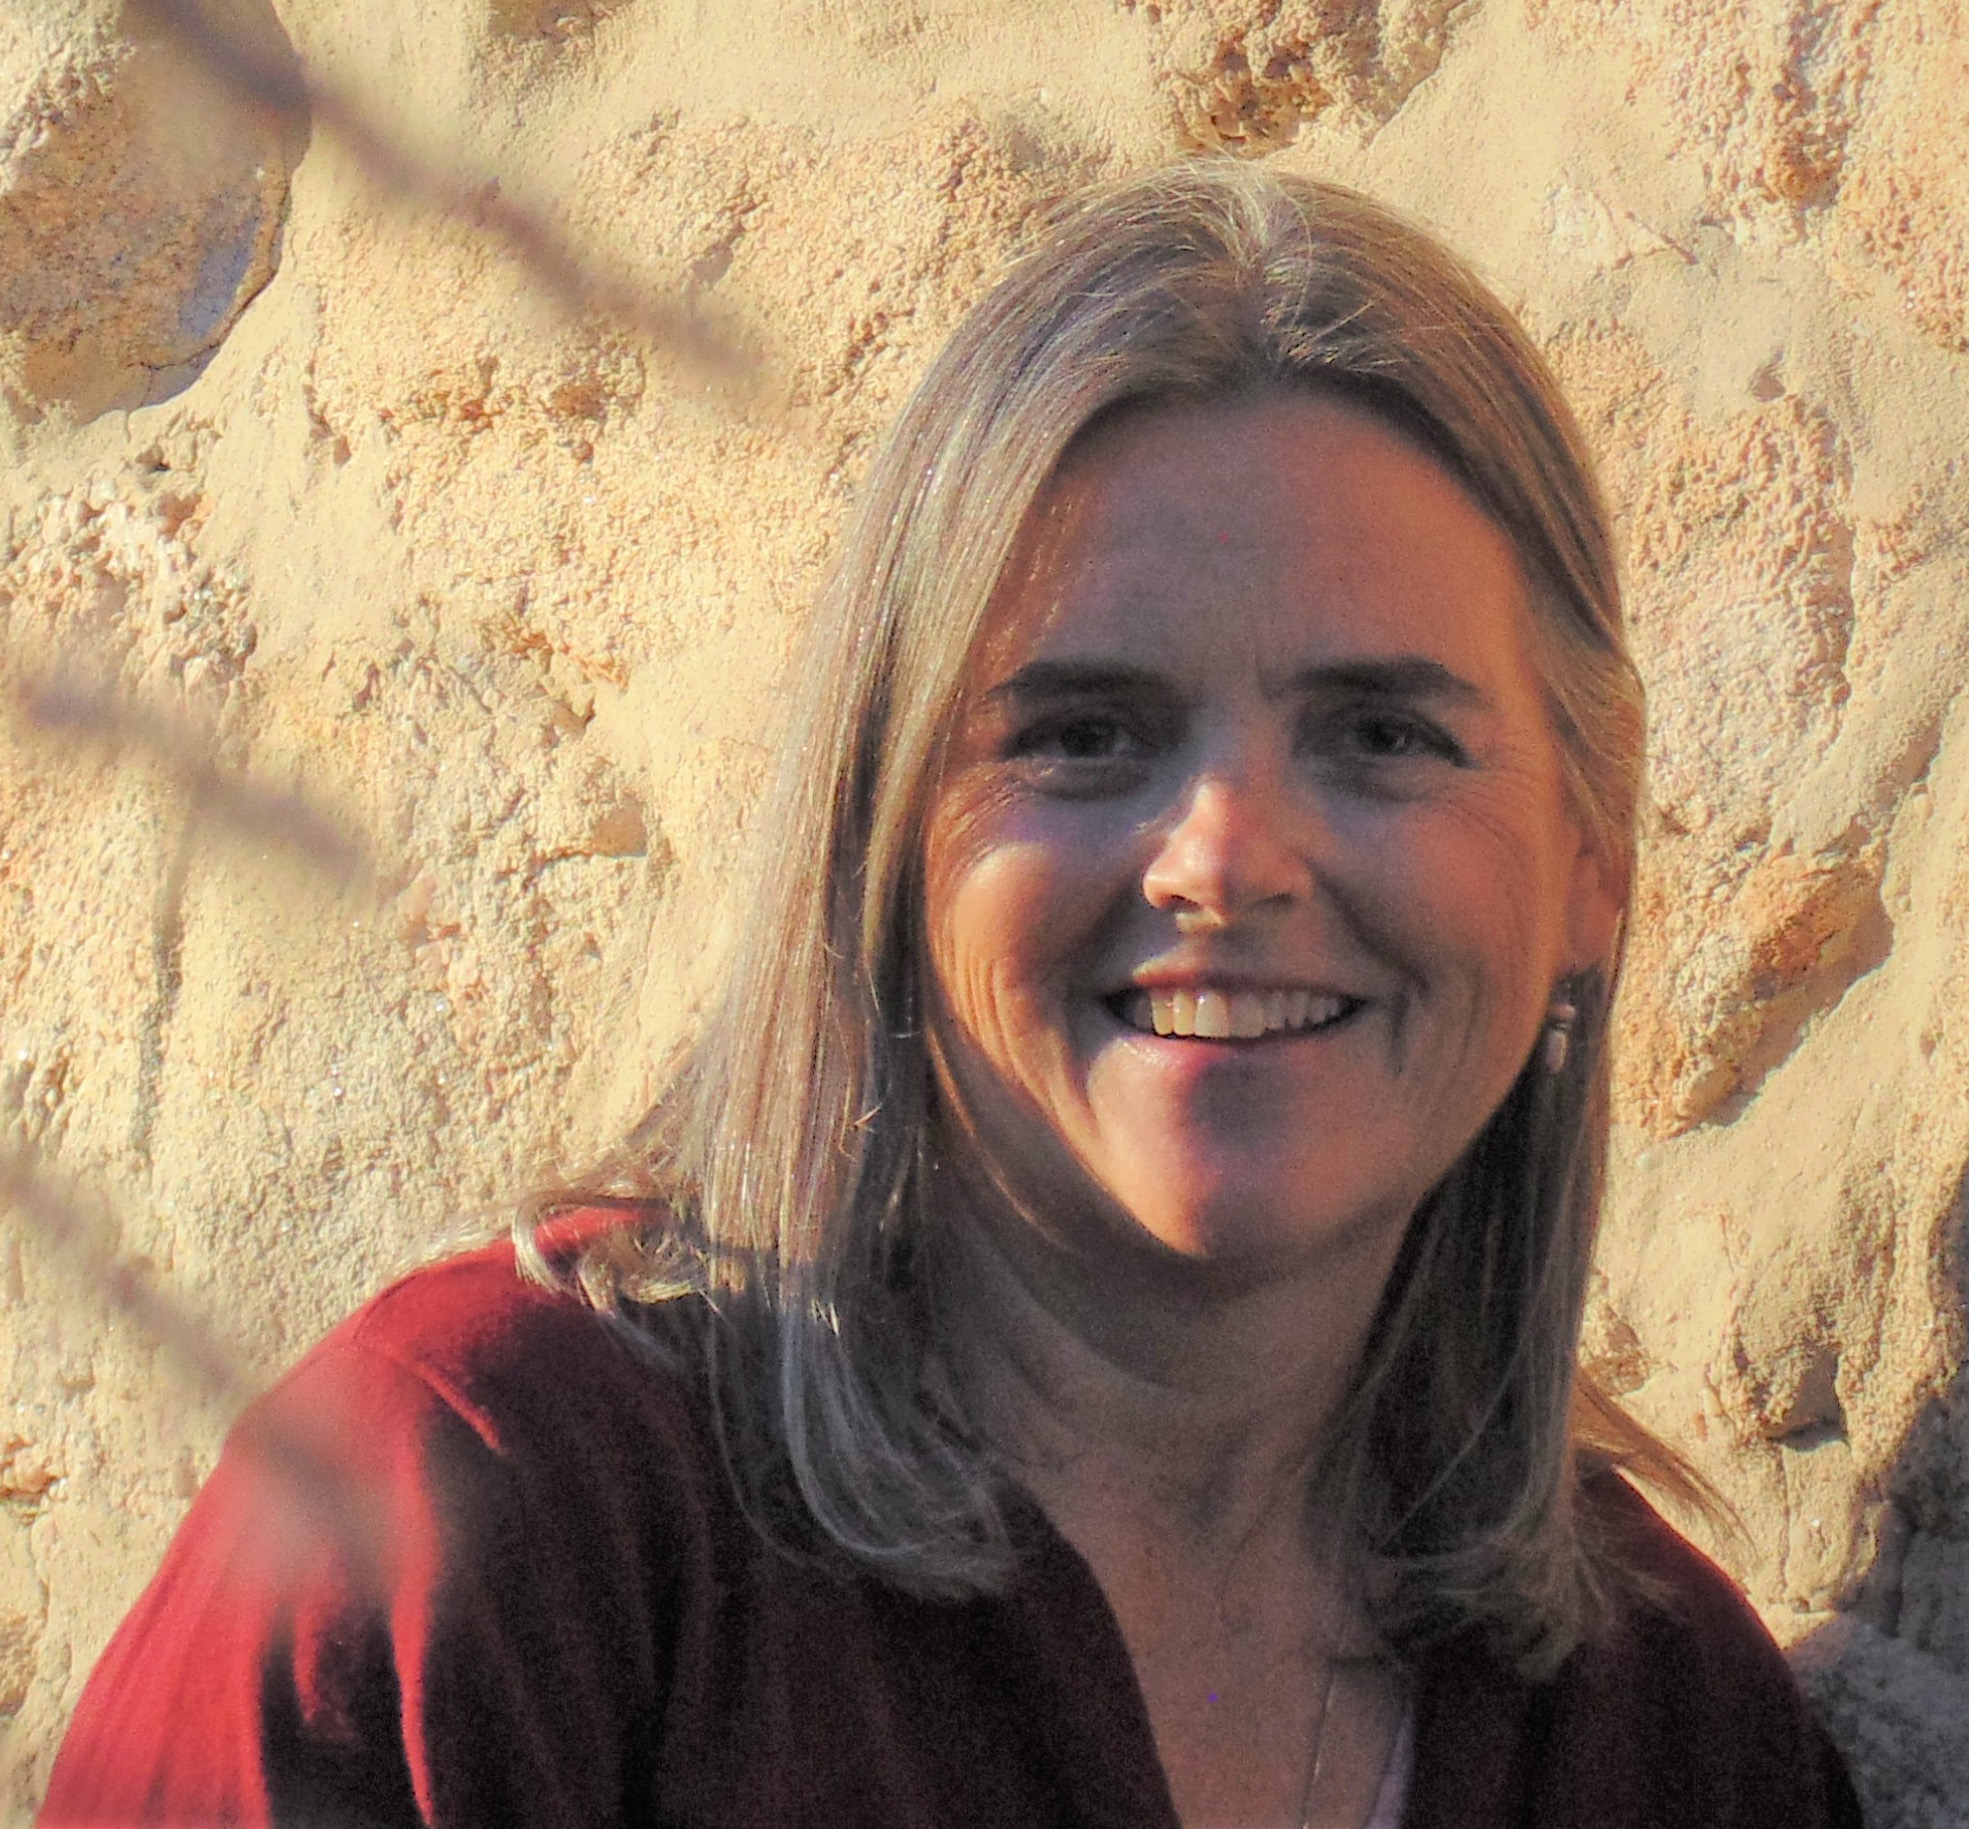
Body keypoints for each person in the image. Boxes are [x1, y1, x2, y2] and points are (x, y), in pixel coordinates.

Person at [41, 162, 1861, 1829]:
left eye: (1382, 734)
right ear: (881, 832)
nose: (1226, 858)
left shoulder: (1664, 1733)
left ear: (1592, 858)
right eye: (1084, 733)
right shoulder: (465, 1514)